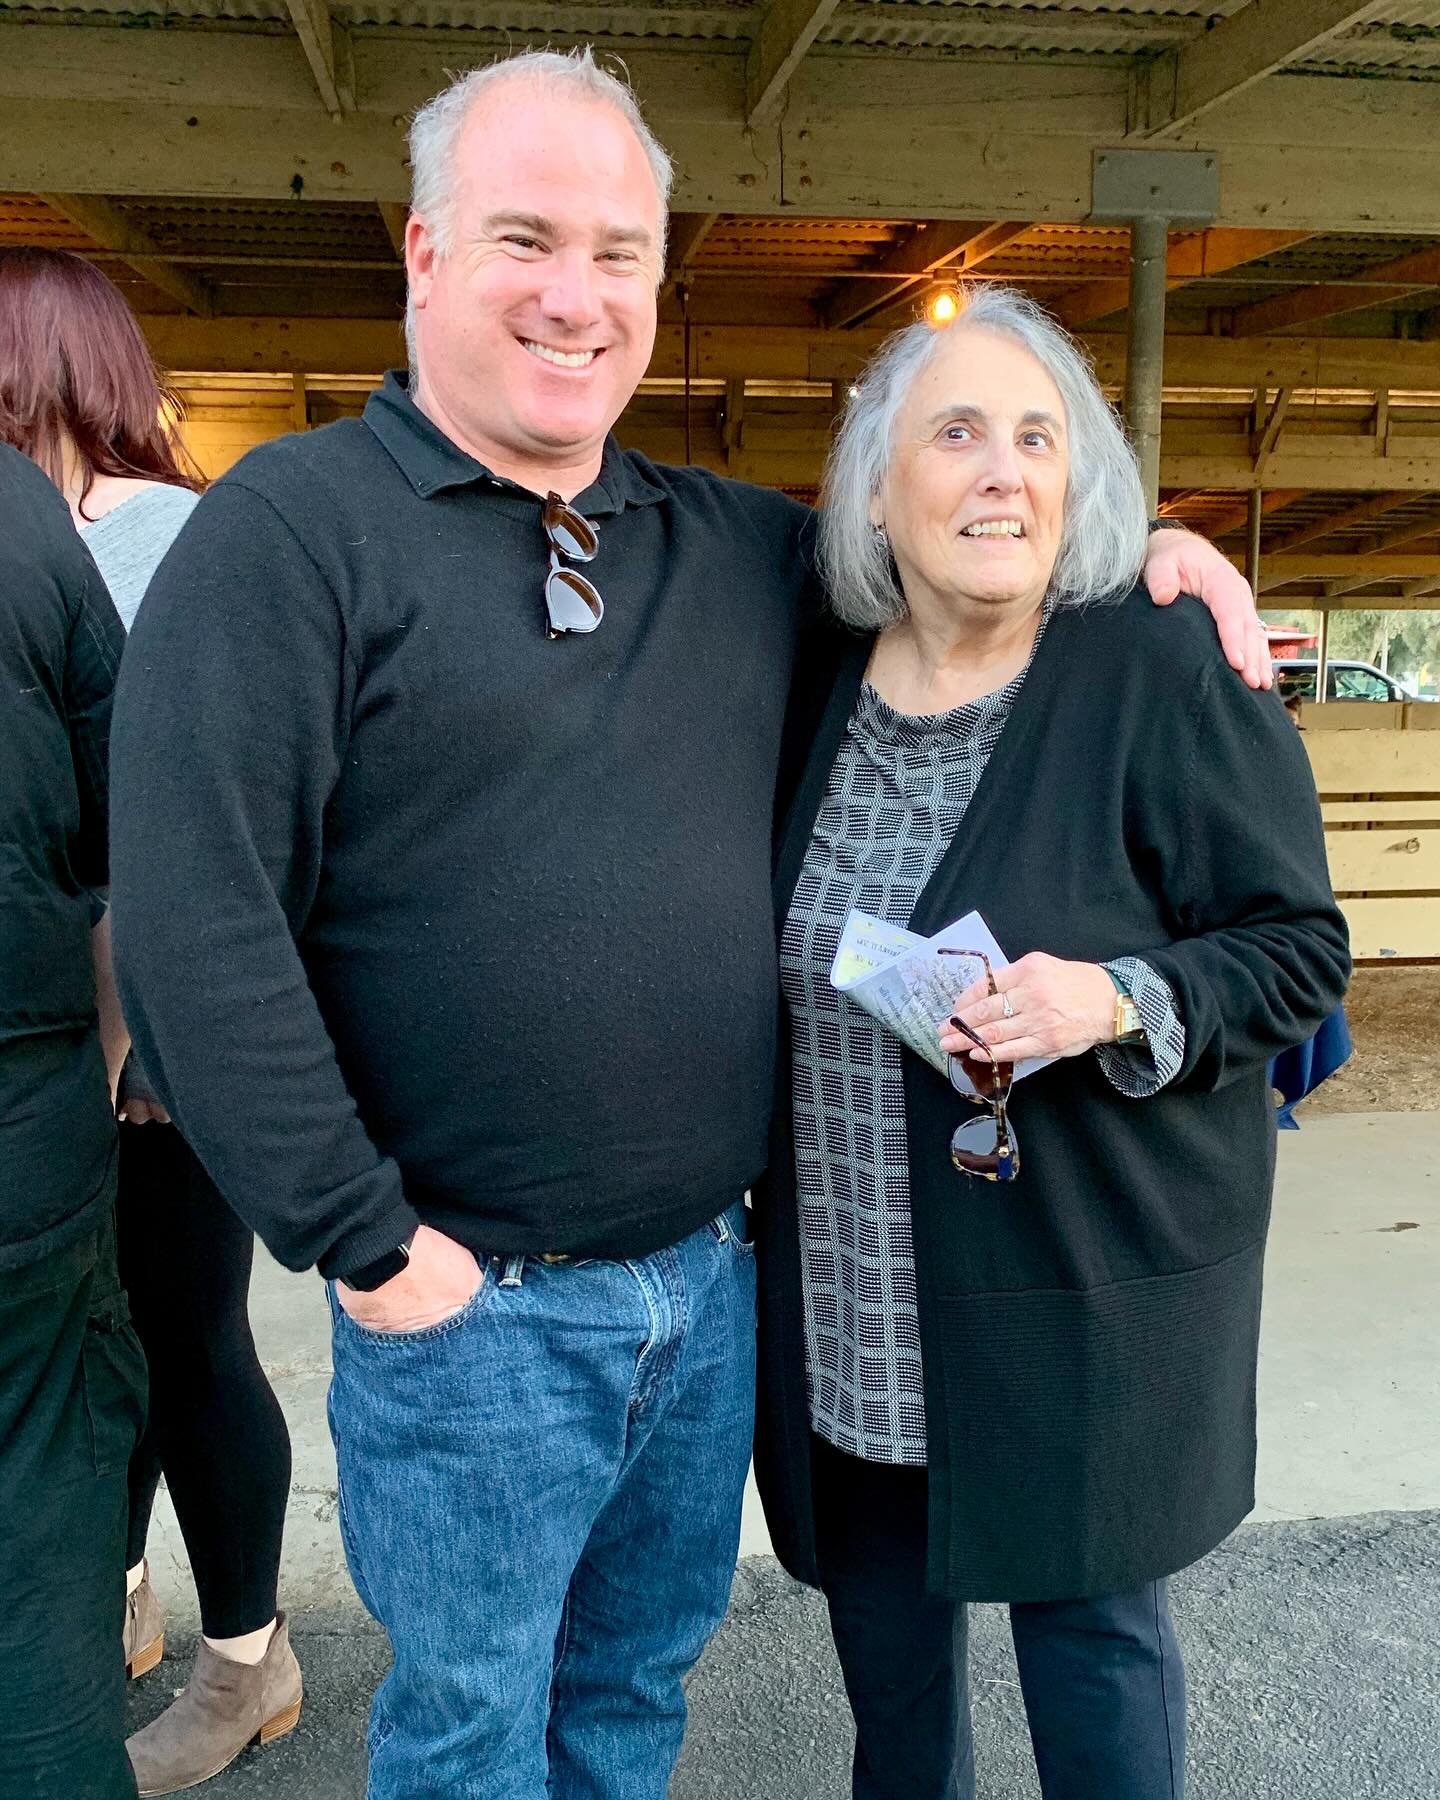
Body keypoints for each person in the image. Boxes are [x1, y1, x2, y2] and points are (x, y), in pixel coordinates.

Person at [109, 50, 1270, 1800]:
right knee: (476, 1730)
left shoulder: (719, 548)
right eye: (525, 239)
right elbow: (200, 928)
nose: (576, 297)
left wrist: (1158, 551)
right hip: (468, 1308)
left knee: (630, 1708)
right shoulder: (293, 535)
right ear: (422, 254)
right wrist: (364, 1246)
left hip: (711, 1291)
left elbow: (958, 540)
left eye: (620, 252)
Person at [755, 287, 1351, 1800]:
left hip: (1070, 1304)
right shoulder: (807, 669)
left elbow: (1299, 953)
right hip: (851, 1312)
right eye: (956, 431)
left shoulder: (1155, 671)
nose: (1002, 469)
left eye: (1039, 436)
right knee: (895, 1716)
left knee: (1093, 1671)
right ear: (879, 484)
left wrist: (1115, 1000)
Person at [0, 245, 302, 1796]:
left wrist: (156, 1043)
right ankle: (107, 1608)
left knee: (186, 1336)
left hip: (164, 1049)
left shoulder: (172, 537)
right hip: (62, 1042)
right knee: (91, 1345)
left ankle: (248, 1656)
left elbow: (200, 817)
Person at [0, 441, 148, 1800]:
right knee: (41, 1546)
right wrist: (96, 1071)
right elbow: (128, 834)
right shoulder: (20, 519)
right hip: (22, 1116)